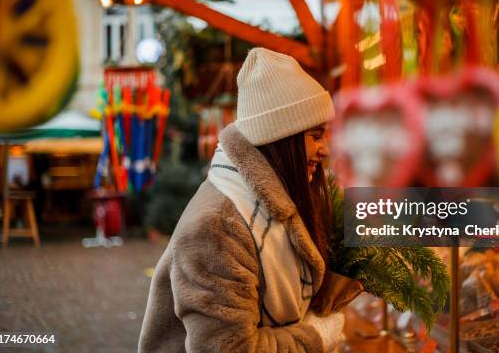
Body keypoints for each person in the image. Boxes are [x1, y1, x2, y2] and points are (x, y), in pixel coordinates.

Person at [139, 48, 346, 352]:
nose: (325, 149)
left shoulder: (269, 201)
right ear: (282, 137)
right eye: (315, 136)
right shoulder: (218, 227)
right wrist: (316, 335)